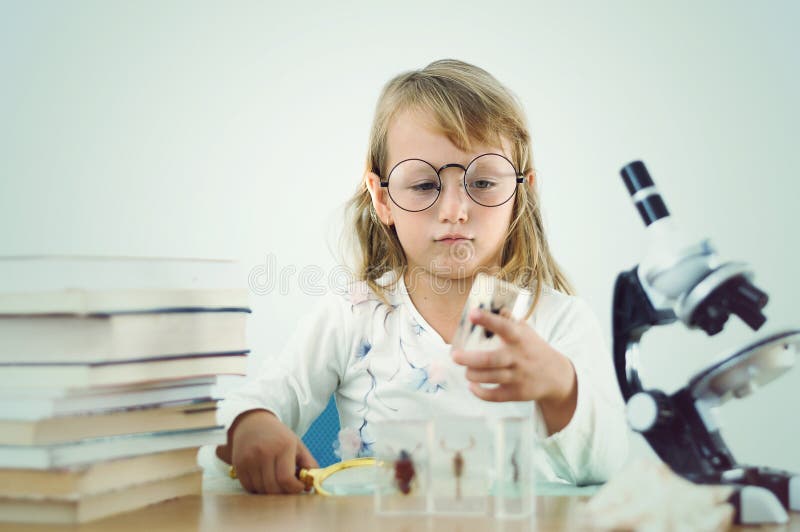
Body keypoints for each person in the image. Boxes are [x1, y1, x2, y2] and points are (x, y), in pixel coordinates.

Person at [216, 59, 629, 494]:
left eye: (483, 182)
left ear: (522, 192)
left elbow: (609, 463)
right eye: (424, 185)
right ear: (382, 199)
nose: (454, 209)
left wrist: (561, 387)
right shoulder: (353, 314)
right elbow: (253, 402)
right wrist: (251, 424)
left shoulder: (558, 321)